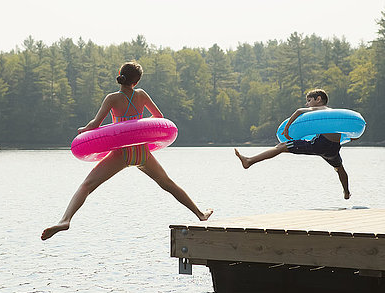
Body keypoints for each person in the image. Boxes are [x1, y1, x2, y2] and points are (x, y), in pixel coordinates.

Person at [41, 61, 213, 240]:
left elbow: (95, 124)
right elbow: (159, 118)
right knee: (167, 183)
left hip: (121, 154)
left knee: (86, 186)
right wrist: (139, 128)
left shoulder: (112, 98)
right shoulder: (141, 95)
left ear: (120, 75)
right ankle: (200, 213)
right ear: (136, 81)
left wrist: (84, 130)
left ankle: (65, 220)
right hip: (142, 152)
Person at [234, 89, 352, 200]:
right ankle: (346, 192)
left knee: (282, 146)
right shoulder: (333, 114)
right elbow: (349, 133)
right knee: (339, 168)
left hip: (320, 144)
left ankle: (249, 161)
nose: (307, 104)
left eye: (309, 100)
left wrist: (287, 128)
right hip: (334, 147)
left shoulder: (320, 109)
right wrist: (352, 137)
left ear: (318, 99)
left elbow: (299, 111)